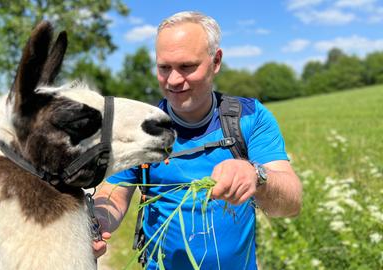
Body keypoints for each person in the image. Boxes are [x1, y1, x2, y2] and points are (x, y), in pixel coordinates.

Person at [92, 11, 302, 269]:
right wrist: (96, 224)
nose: (174, 80)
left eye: (187, 66)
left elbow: (291, 203)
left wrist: (256, 176)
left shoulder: (250, 117)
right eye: (164, 67)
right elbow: (114, 195)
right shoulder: (143, 129)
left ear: (216, 62)